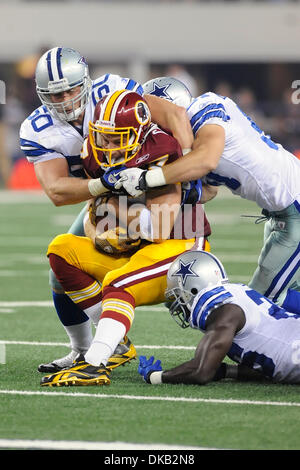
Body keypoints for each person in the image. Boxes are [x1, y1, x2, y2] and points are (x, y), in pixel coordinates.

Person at [19, 50, 194, 373]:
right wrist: (104, 185)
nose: (67, 99)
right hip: (104, 197)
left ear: (85, 83)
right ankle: (87, 349)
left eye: (72, 89)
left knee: (180, 259)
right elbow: (57, 190)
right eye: (56, 94)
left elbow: (174, 117)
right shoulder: (39, 128)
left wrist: (185, 168)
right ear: (43, 94)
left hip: (151, 183)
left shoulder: (111, 89)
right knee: (61, 268)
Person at [40, 89, 214, 387]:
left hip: (178, 246)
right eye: (101, 136)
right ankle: (117, 344)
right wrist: (99, 231)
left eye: (115, 137)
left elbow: (158, 228)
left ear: (139, 132)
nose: (105, 145)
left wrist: (115, 209)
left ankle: (94, 365)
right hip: (138, 248)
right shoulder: (94, 151)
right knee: (61, 250)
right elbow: (94, 211)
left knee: (117, 283)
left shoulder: (163, 150)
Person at [112, 76, 300, 315]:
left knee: (264, 300)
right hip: (281, 212)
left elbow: (206, 159)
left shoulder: (205, 111)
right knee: (285, 287)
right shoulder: (195, 138)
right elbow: (207, 191)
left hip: (295, 209)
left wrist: (145, 179)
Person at [138, 250, 300, 386]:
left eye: (178, 295)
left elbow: (201, 373)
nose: (178, 304)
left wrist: (155, 376)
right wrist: (225, 371)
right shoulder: (236, 295)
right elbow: (267, 365)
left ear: (194, 289)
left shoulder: (224, 310)